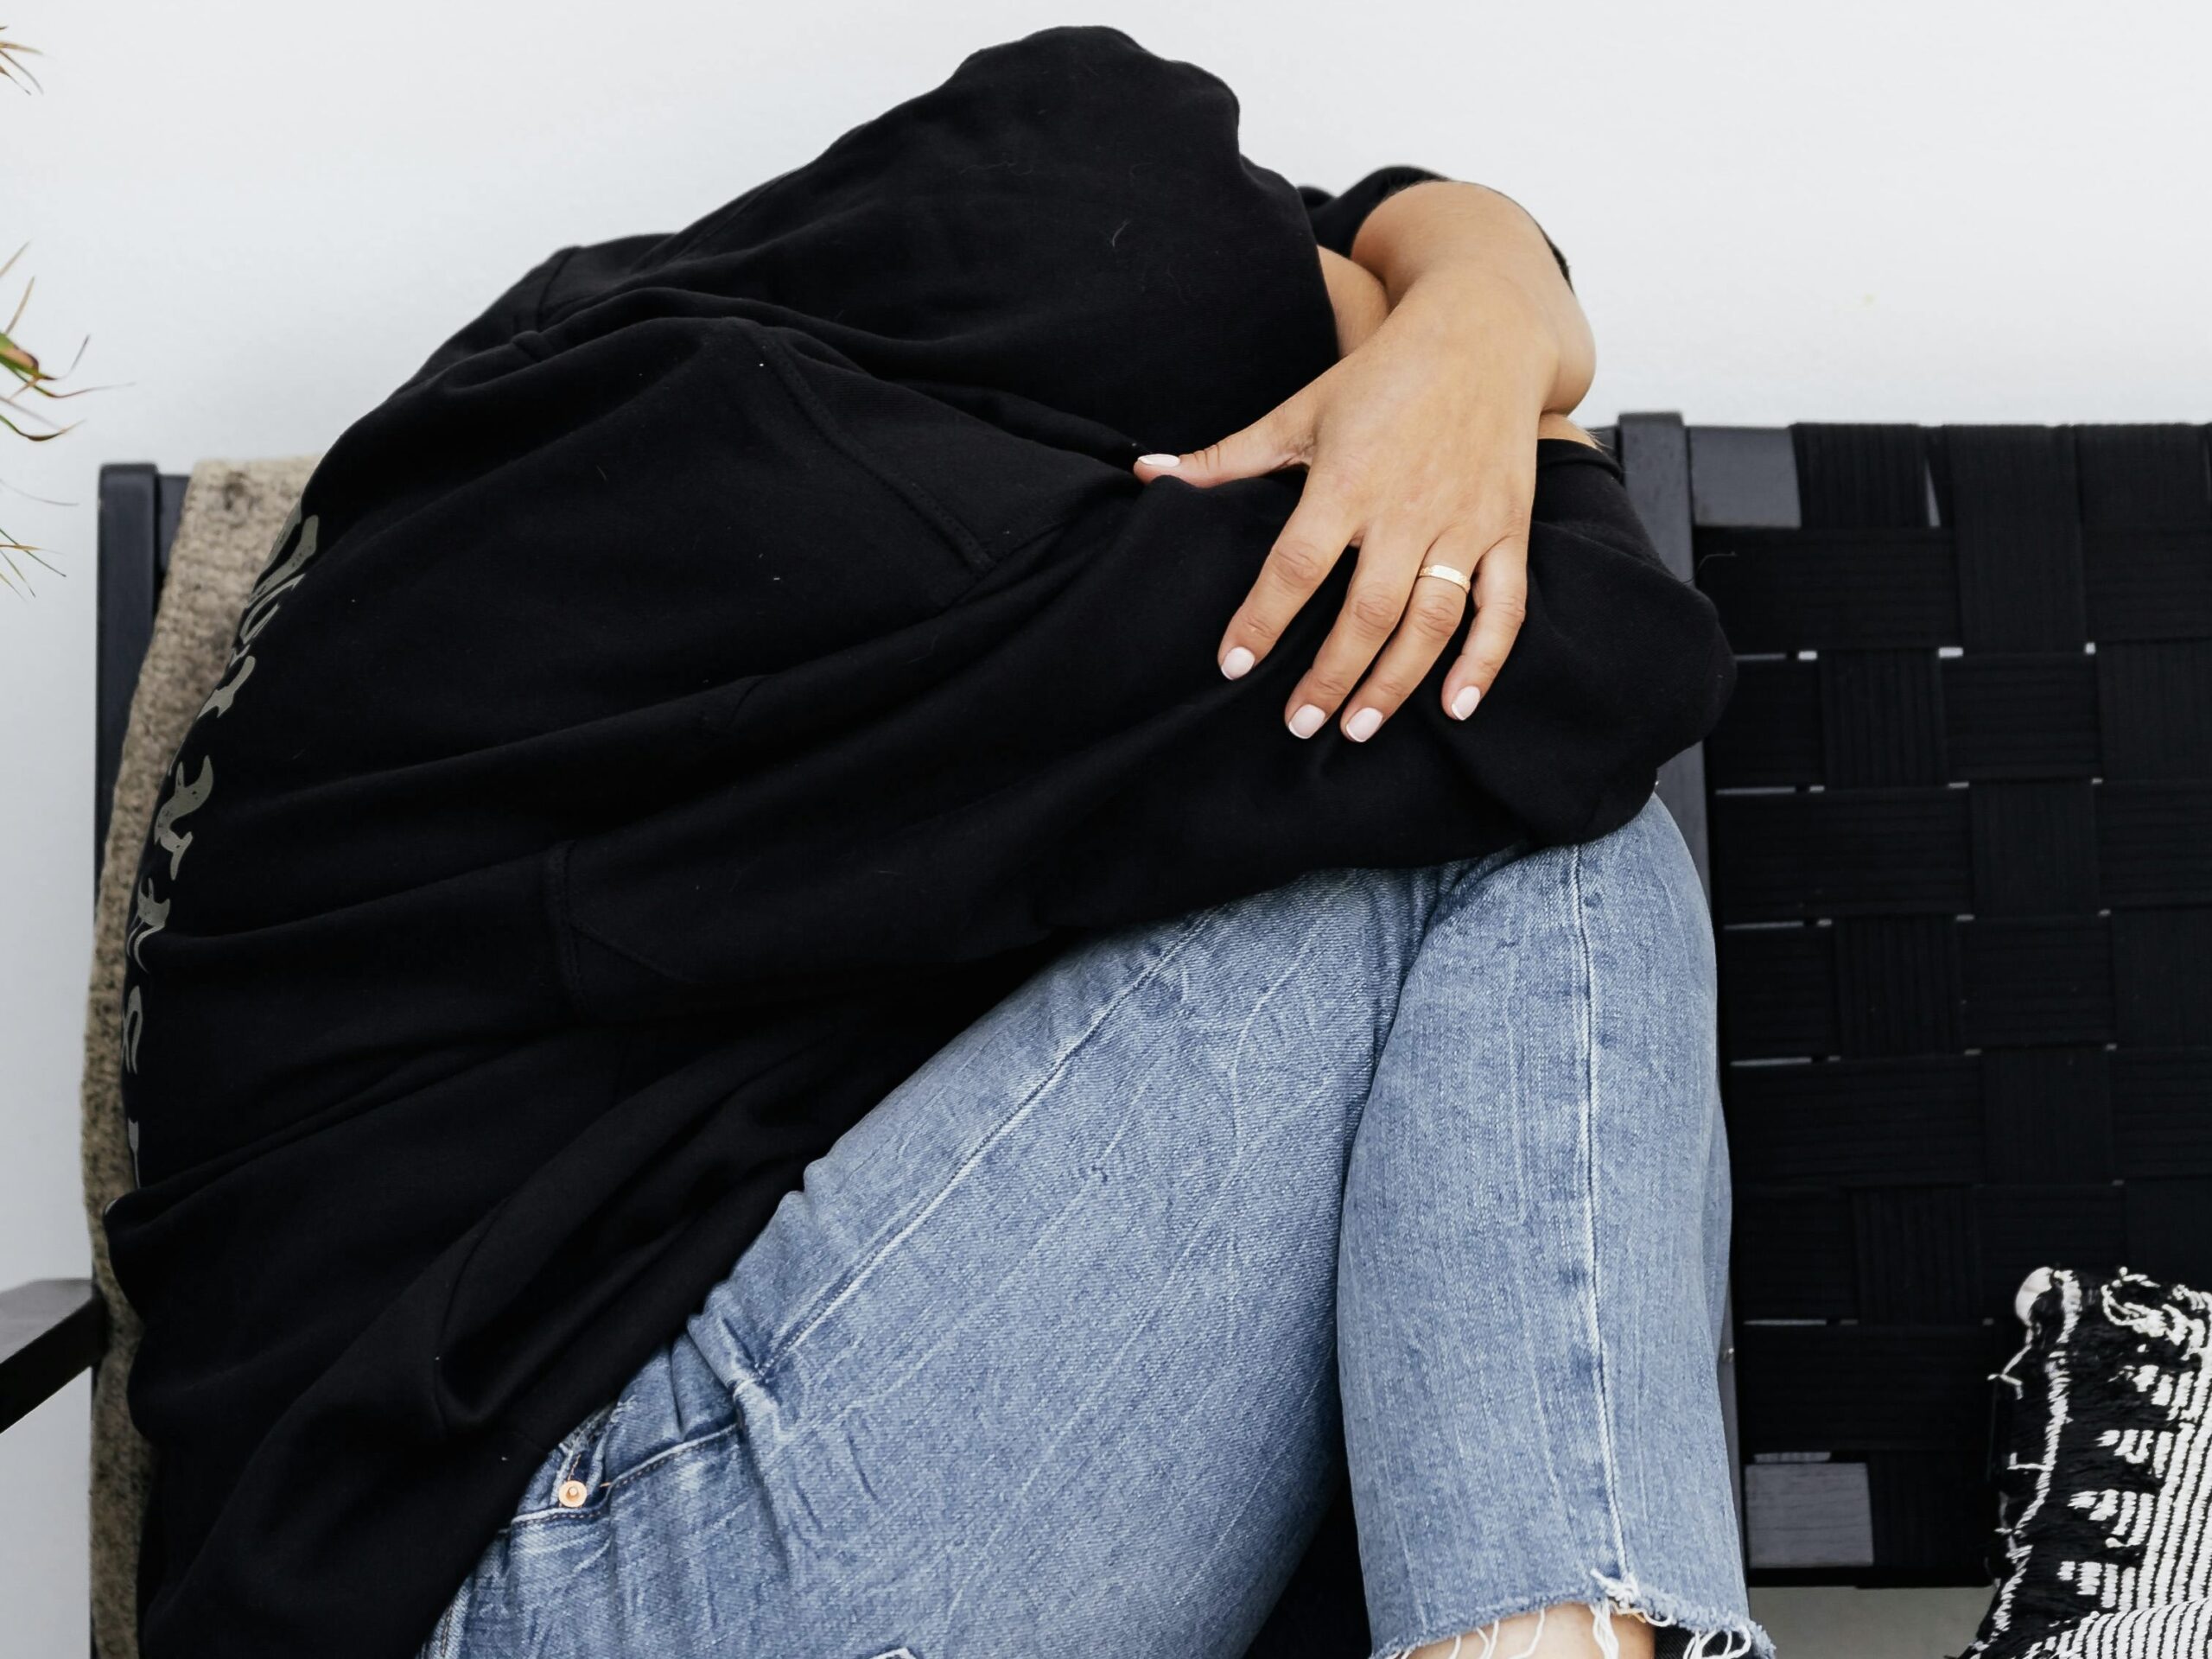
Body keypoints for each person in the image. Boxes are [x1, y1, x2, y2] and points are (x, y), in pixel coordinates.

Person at [107, 25, 1764, 1659]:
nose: (1368, 466)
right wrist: (1501, 395)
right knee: (1542, 844)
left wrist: (1465, 308)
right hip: (548, 1583)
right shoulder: (865, 528)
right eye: (1327, 442)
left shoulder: (630, 361)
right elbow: (1600, 670)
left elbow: (1328, 234)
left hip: (481, 1527)